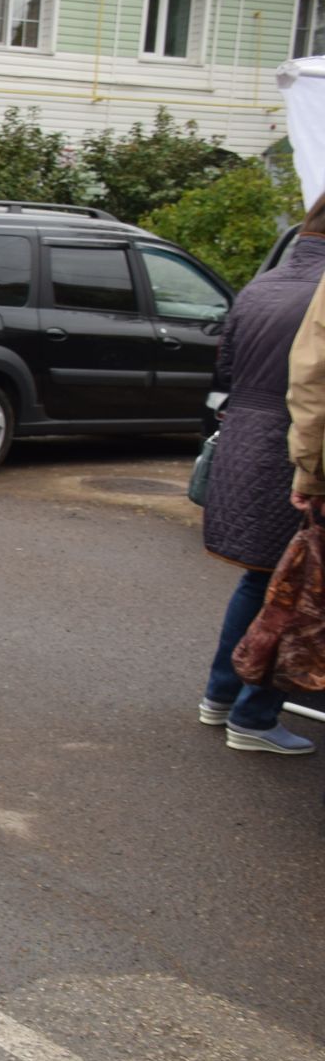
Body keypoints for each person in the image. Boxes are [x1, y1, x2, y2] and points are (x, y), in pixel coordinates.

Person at [223, 196, 325, 755]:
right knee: (295, 588)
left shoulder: (260, 286)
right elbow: (310, 384)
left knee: (265, 579)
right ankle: (253, 715)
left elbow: (223, 369)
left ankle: (222, 694)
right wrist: (308, 466)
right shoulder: (318, 292)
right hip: (292, 450)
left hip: (248, 443)